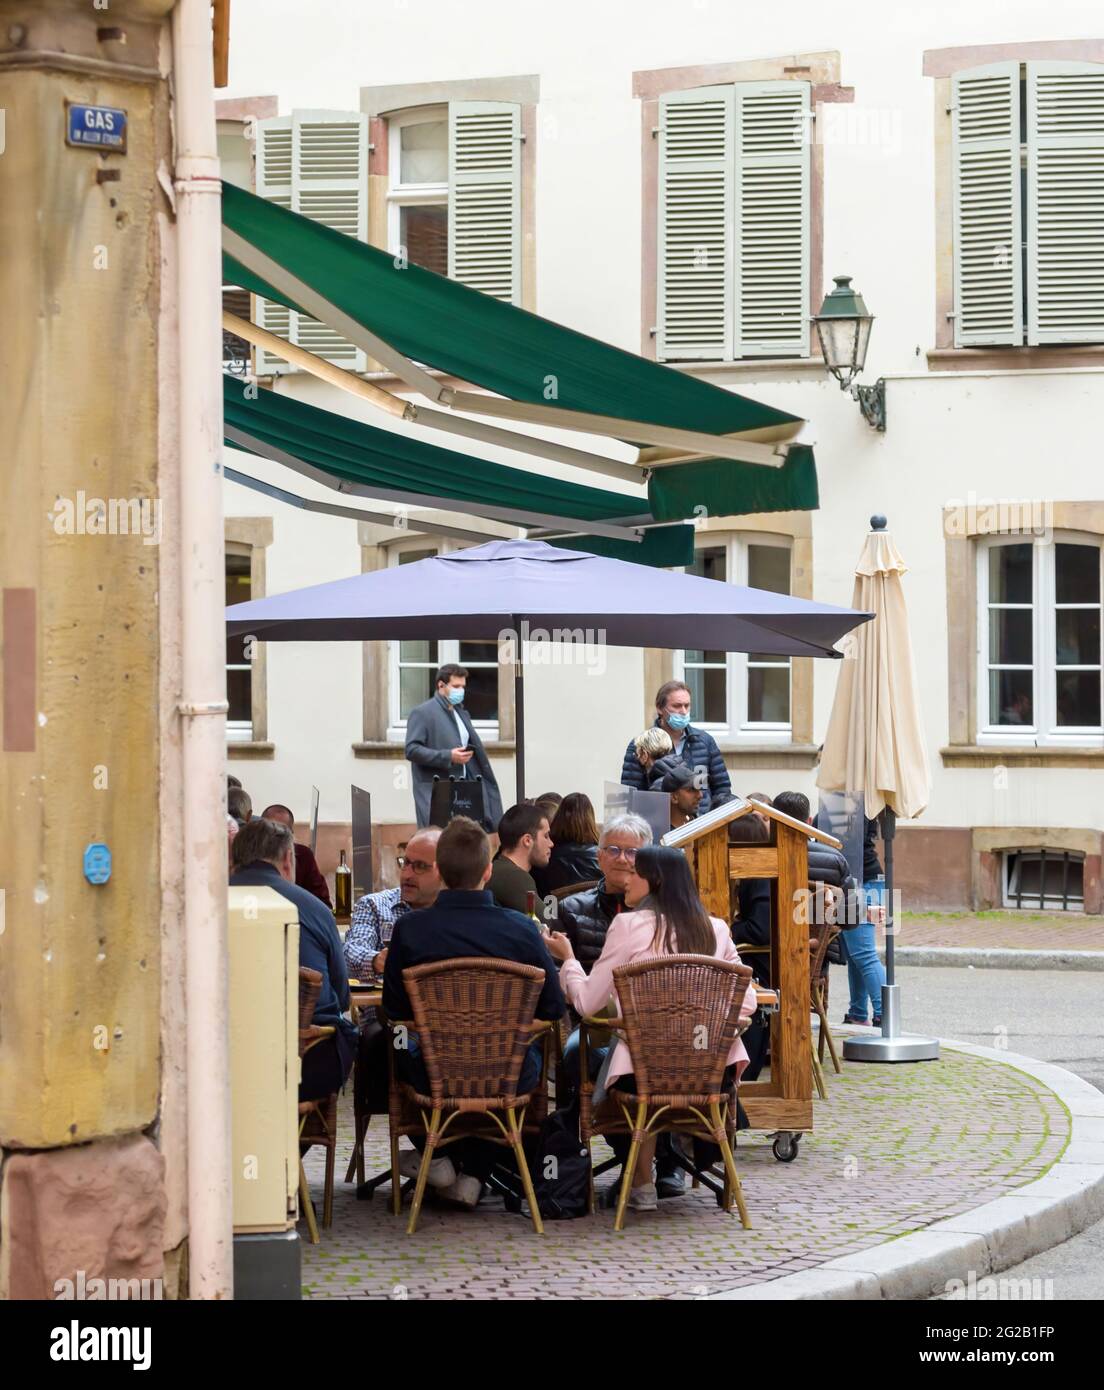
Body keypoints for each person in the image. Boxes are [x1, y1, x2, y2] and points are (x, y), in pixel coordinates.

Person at [547, 846, 757, 1213]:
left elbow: (585, 1004)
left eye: (635, 872)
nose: (626, 877)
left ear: (654, 881)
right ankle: (660, 1173)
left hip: (643, 1077)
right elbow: (748, 999)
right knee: (646, 1058)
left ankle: (642, 1182)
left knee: (605, 1058)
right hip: (710, 1075)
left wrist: (568, 962)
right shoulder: (716, 929)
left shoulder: (628, 926)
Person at [382, 817, 565, 1208]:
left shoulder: (411, 930)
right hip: (508, 1073)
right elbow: (552, 1006)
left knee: (392, 1044)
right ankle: (476, 1173)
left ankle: (441, 1158)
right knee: (514, 1056)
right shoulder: (521, 930)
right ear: (487, 870)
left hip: (433, 1073)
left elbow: (394, 1009)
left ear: (442, 871)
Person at [230, 818, 356, 1101]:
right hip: (307, 1062)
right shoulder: (315, 909)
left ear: (233, 859)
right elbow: (343, 997)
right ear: (288, 859)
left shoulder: (209, 902)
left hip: (229, 1062)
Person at [344, 827, 442, 1121]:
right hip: (392, 1022)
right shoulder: (376, 905)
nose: (407, 874)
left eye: (420, 866)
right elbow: (349, 955)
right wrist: (378, 960)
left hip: (450, 1024)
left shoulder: (457, 915)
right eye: (405, 862)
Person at [772, 790, 881, 1026]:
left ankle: (883, 1012)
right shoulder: (833, 858)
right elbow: (849, 918)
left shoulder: (757, 856)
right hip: (813, 959)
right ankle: (860, 1013)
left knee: (862, 953)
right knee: (859, 953)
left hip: (766, 961)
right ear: (809, 822)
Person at [404, 663, 503, 831]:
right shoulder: (423, 712)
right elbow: (412, 750)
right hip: (437, 793)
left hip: (463, 791)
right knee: (440, 843)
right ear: (441, 685)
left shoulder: (460, 713)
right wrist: (448, 756)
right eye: (456, 686)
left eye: (463, 687)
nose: (461, 691)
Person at [556, 813, 652, 972]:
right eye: (613, 850)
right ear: (599, 857)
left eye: (632, 852)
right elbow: (556, 970)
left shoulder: (659, 913)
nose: (621, 859)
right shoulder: (569, 909)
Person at [619, 680, 732, 813]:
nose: (683, 712)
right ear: (660, 708)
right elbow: (632, 795)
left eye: (687, 705)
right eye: (677, 706)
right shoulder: (640, 745)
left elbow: (722, 789)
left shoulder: (705, 742)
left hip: (702, 823)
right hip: (661, 823)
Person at [261, 803, 332, 908]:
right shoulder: (252, 855)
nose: (275, 839)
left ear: (291, 834)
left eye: (282, 834)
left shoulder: (302, 855)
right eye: (270, 831)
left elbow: (322, 902)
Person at [532, 792, 601, 897]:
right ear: (591, 820)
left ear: (558, 816)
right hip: (594, 913)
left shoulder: (545, 856)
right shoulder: (602, 858)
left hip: (551, 912)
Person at [488, 803, 553, 913]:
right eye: (546, 836)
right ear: (527, 840)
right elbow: (547, 922)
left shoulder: (497, 868)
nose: (551, 843)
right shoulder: (514, 877)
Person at [648, 755, 703, 828]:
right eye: (692, 790)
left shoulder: (701, 827)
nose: (700, 795)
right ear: (674, 797)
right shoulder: (657, 834)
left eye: (699, 789)